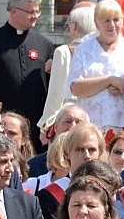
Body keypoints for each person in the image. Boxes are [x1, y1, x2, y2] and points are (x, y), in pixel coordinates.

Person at [0, 0, 56, 141]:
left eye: (37, 11)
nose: (35, 16)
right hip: (1, 124)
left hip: (36, 124)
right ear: (14, 11)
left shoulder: (45, 44)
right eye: (30, 12)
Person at [68, 0, 124, 134]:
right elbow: (75, 88)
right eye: (106, 20)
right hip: (91, 127)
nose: (112, 25)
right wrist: (108, 80)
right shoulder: (84, 50)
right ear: (96, 23)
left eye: (116, 20)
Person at [38, 7, 94, 141]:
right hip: (94, 115)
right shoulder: (99, 52)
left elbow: (56, 93)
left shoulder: (63, 51)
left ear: (74, 26)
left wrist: (46, 125)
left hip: (69, 117)